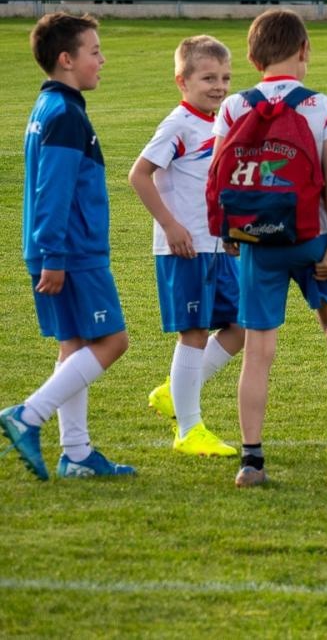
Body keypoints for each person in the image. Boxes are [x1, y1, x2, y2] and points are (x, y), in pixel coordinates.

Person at [214, 9, 327, 487]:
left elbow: (218, 177)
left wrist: (228, 233)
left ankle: (252, 457)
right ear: (303, 51)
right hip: (311, 237)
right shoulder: (321, 106)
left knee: (259, 351)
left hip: (257, 240)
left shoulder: (234, 105)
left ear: (254, 58)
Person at [1, 14, 135, 481]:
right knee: (112, 341)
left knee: (74, 345)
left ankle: (75, 454)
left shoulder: (49, 108)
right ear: (66, 59)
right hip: (72, 253)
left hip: (60, 249)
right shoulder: (64, 115)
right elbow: (52, 192)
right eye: (94, 51)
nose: (102, 59)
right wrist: (54, 256)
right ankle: (27, 416)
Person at [128, 35, 243, 458]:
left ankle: (173, 393)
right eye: (208, 77)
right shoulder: (177, 124)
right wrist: (171, 226)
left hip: (218, 246)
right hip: (185, 248)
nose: (219, 85)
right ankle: (189, 429)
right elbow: (139, 175)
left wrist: (230, 230)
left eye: (226, 77)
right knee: (193, 333)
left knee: (242, 324)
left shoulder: (221, 121)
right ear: (182, 81)